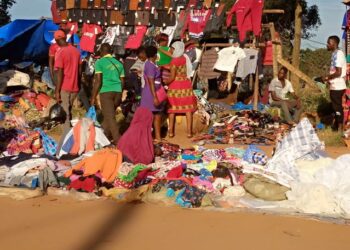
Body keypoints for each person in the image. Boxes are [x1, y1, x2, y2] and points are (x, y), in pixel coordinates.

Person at [91, 43, 125, 145]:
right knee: (108, 116)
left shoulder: (100, 62)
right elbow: (122, 81)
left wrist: (93, 97)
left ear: (102, 51)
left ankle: (119, 142)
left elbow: (98, 81)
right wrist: (119, 92)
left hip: (106, 92)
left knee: (110, 118)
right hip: (117, 92)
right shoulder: (119, 63)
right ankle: (102, 137)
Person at [164, 41, 197, 138]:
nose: (172, 50)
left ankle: (171, 132)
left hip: (175, 85)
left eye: (173, 48)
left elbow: (173, 76)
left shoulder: (174, 61)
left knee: (172, 109)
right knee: (188, 109)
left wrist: (165, 82)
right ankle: (189, 132)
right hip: (185, 84)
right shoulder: (183, 58)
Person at [54, 30, 81, 128]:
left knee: (65, 113)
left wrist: (57, 90)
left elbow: (60, 73)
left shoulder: (61, 52)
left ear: (57, 40)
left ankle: (67, 137)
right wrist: (79, 84)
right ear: (65, 38)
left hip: (65, 86)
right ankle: (70, 133)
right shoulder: (76, 51)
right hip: (75, 86)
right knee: (68, 110)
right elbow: (80, 69)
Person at [323, 35, 347, 131]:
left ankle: (340, 128)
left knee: (337, 107)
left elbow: (338, 72)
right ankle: (336, 126)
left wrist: (327, 77)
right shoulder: (334, 53)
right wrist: (329, 79)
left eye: (329, 43)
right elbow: (334, 71)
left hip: (338, 86)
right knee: (335, 107)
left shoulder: (339, 54)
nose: (327, 44)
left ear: (334, 44)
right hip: (334, 85)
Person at [140, 46, 164, 142]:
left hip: (155, 92)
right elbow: (150, 81)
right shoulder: (149, 65)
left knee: (157, 115)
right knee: (149, 116)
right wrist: (154, 97)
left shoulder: (153, 64)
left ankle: (158, 137)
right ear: (155, 54)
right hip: (150, 94)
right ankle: (147, 138)